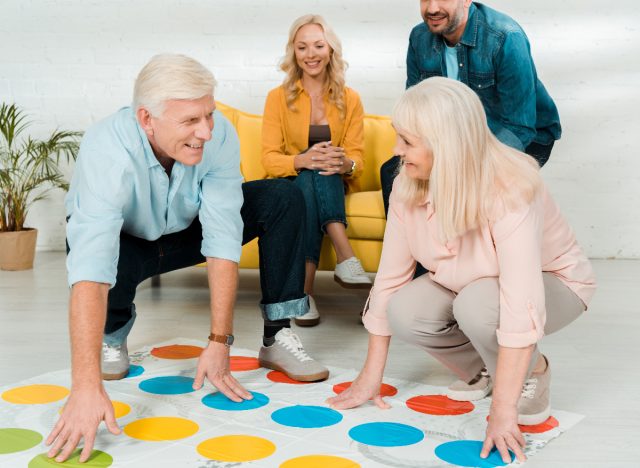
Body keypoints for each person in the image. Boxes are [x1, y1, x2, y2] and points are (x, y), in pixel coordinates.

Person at [46, 54, 329, 463]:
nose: (206, 131)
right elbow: (91, 268)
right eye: (191, 121)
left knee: (283, 197)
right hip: (129, 243)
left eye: (209, 114)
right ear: (147, 119)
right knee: (99, 254)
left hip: (185, 233)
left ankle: (277, 336)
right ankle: (113, 333)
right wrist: (85, 385)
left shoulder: (219, 136)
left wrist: (219, 341)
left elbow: (222, 235)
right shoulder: (106, 147)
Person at [327, 78, 596, 464]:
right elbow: (389, 280)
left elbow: (521, 300)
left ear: (445, 144)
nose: (396, 150)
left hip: (552, 285)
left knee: (476, 306)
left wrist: (501, 413)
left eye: (407, 141)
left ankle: (532, 370)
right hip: (466, 283)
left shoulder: (512, 186)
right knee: (405, 310)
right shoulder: (407, 182)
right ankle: (486, 370)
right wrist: (372, 376)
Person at [380, 0, 562, 216]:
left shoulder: (505, 36)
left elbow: (519, 127)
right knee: (393, 172)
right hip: (455, 139)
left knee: (468, 189)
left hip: (519, 137)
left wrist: (462, 163)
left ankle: (477, 248)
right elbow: (415, 112)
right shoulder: (419, 38)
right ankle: (415, 247)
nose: (432, 8)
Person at [262, 14, 371, 327]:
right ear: (294, 53)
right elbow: (269, 158)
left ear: (331, 50)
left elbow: (357, 157)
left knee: (320, 171)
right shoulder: (277, 98)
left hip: (331, 181)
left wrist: (344, 162)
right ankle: (346, 256)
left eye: (318, 46)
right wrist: (302, 160)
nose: (311, 54)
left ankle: (303, 293)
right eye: (302, 47)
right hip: (289, 182)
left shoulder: (350, 99)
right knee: (310, 173)